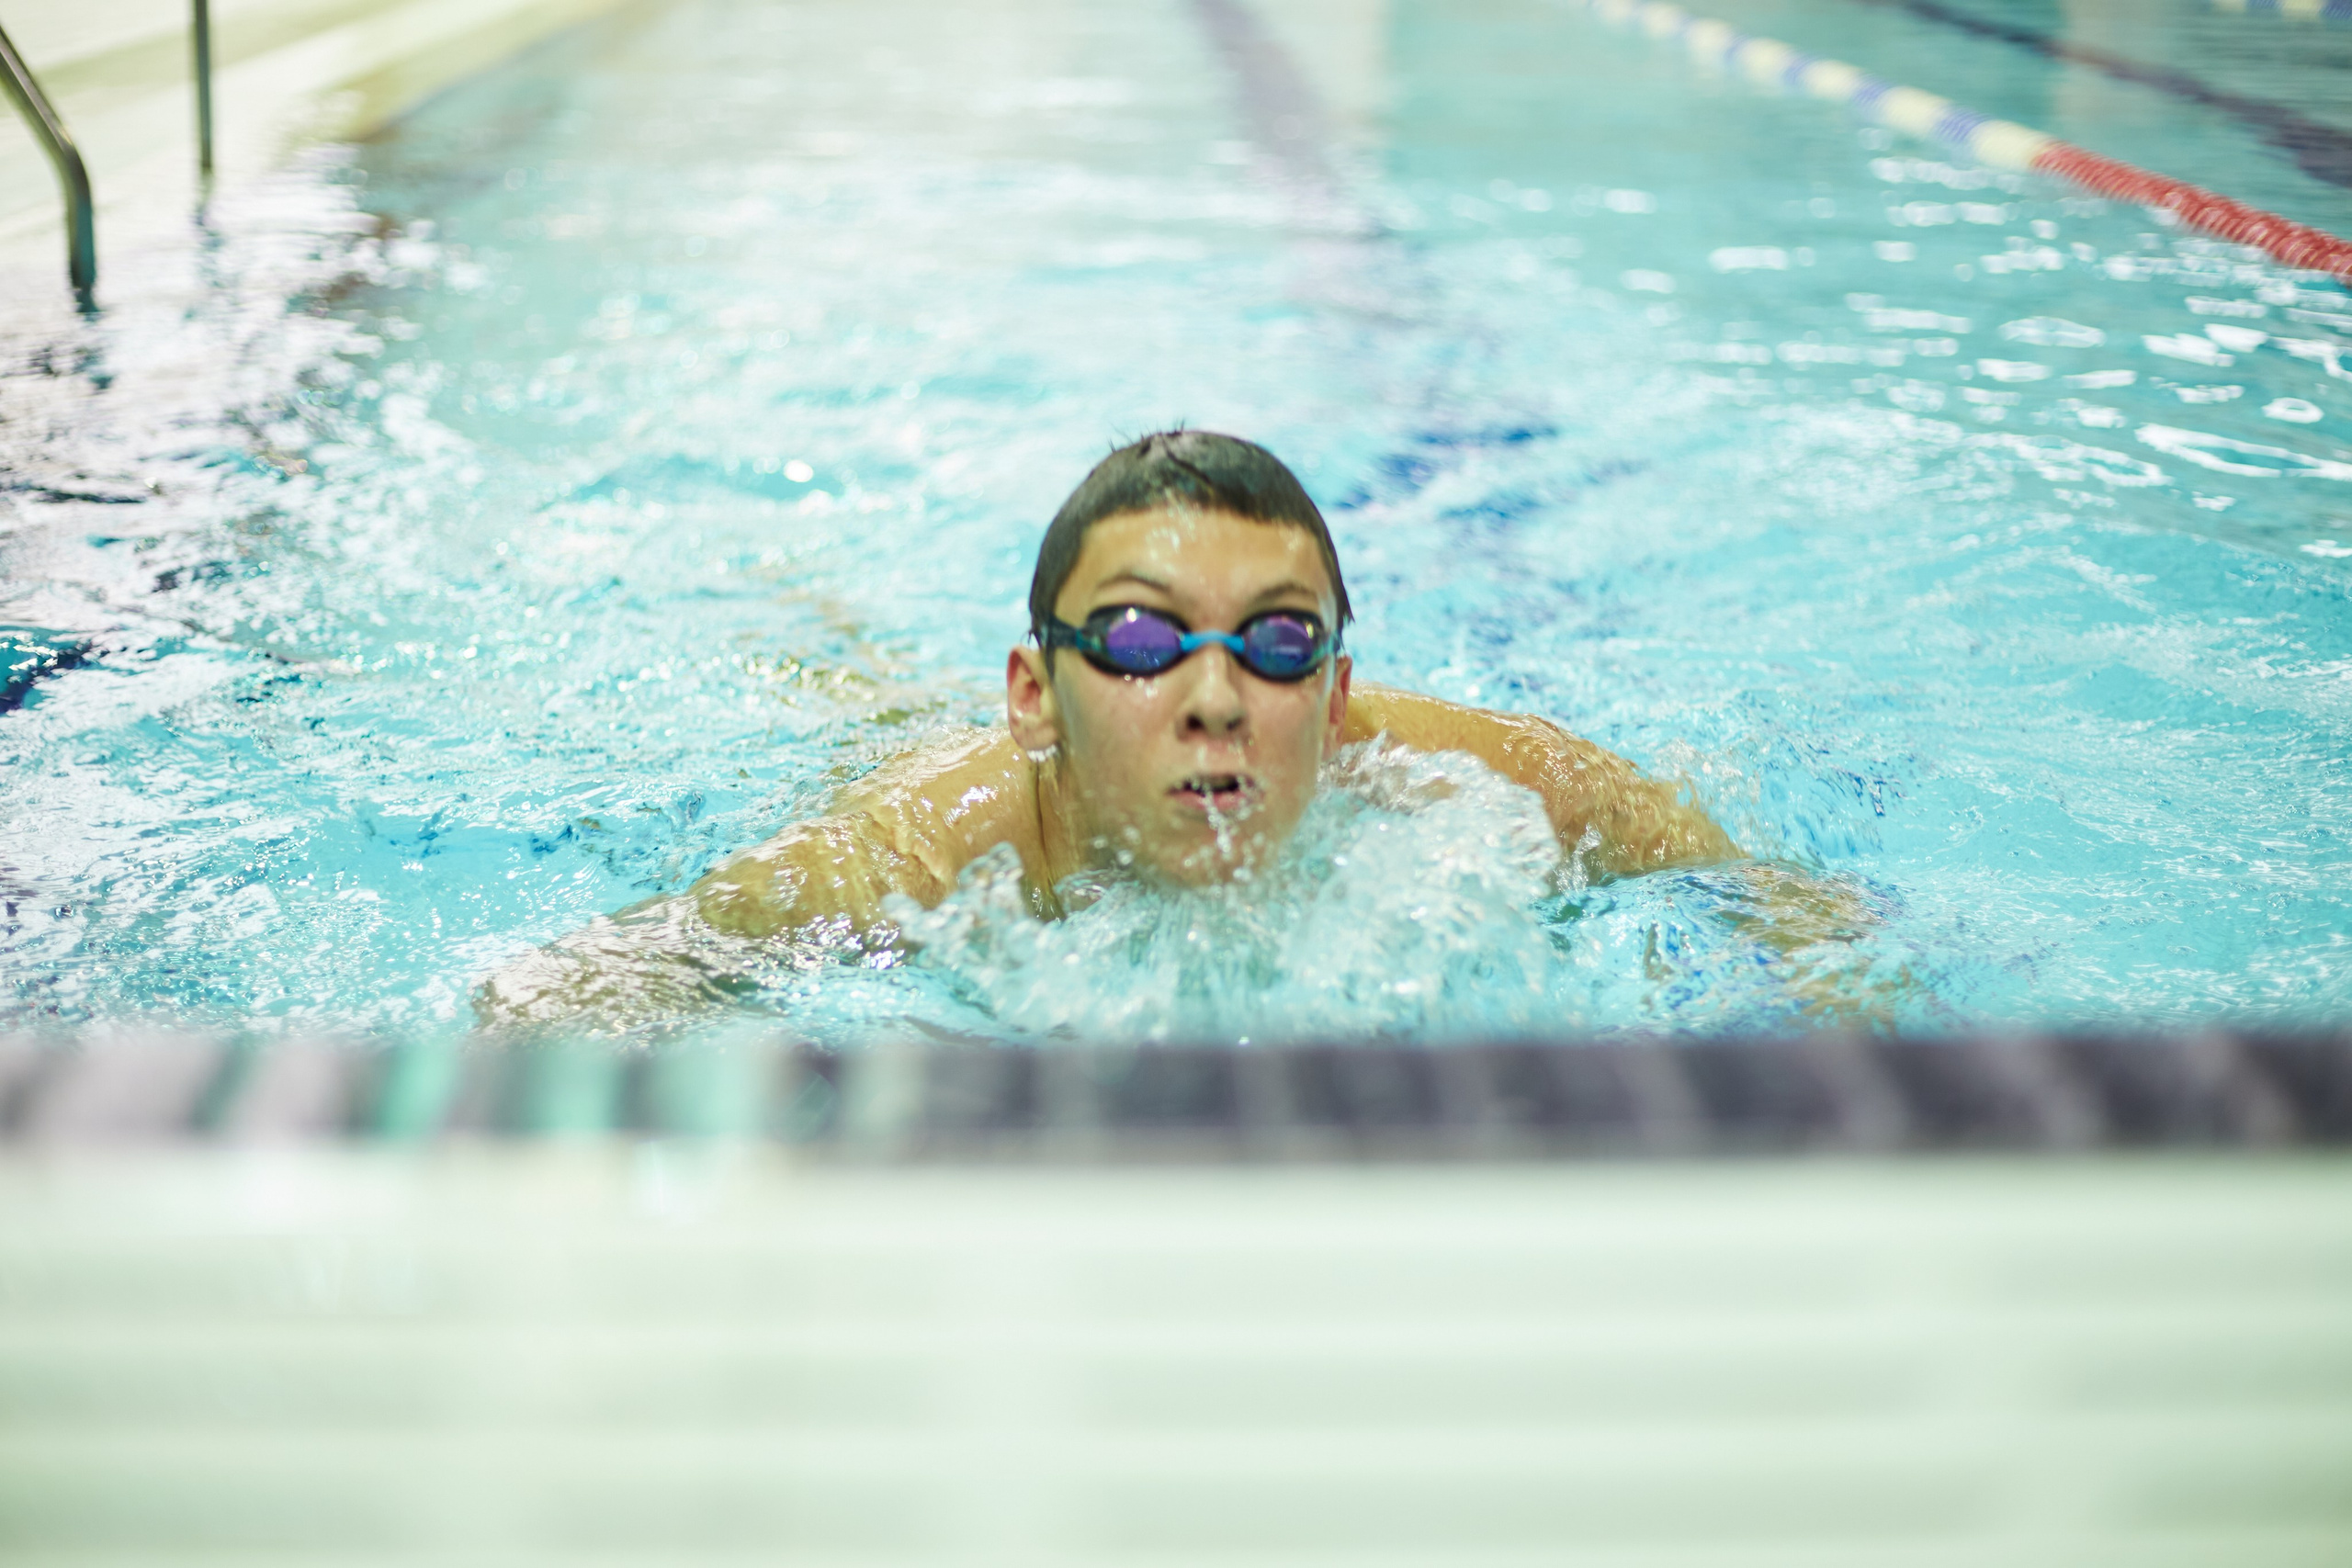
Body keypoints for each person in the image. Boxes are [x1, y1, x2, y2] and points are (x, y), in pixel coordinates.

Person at [478, 430, 1860, 1024]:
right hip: (931, 769)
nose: (1214, 698)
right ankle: (790, 609)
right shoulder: (915, 856)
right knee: (870, 710)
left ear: (1331, 694)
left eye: (1273, 642)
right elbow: (557, 995)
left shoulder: (1469, 779)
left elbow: (1785, 906)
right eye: (1140, 641)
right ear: (1038, 694)